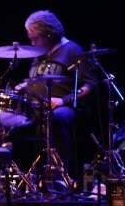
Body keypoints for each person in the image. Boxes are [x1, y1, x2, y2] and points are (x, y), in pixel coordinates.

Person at [8, 10, 99, 185]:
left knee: (56, 118)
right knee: (5, 121)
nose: (32, 42)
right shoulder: (40, 53)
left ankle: (59, 176)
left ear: (49, 34)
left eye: (35, 38)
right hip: (37, 107)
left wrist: (62, 101)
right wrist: (25, 85)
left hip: (66, 108)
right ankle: (8, 178)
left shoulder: (73, 50)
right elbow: (39, 79)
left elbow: (90, 85)